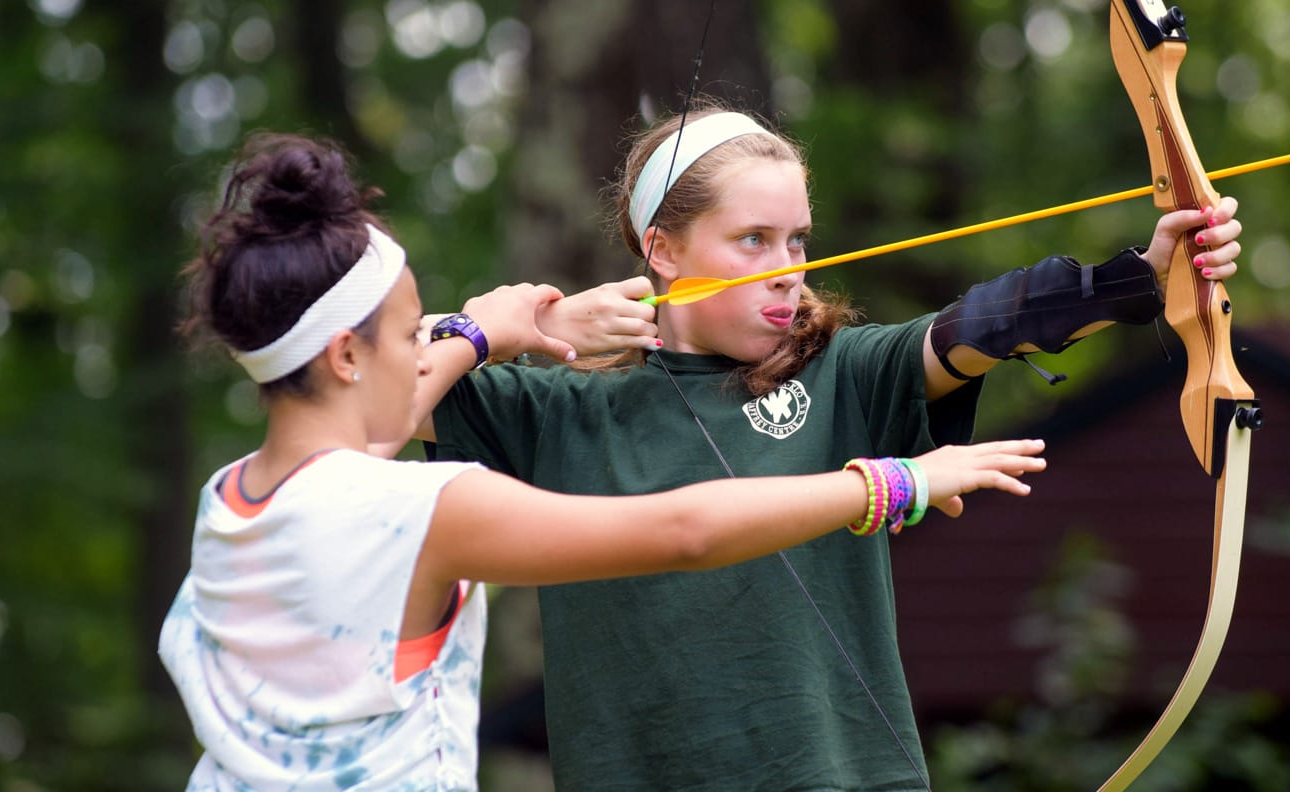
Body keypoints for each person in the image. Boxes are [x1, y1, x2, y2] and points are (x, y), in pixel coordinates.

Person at [156, 132, 1047, 792]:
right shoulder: (422, 506)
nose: (425, 348)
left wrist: (1125, 283)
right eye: (408, 334)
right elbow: (687, 529)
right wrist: (898, 483)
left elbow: (360, 414)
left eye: (796, 242)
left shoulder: (225, 505)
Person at [424, 105, 1244, 790]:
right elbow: (362, 383)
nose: (787, 270)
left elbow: (978, 328)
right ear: (662, 250)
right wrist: (499, 329)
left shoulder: (842, 374)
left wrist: (1138, 277)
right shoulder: (558, 412)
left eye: (797, 240)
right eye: (753, 239)